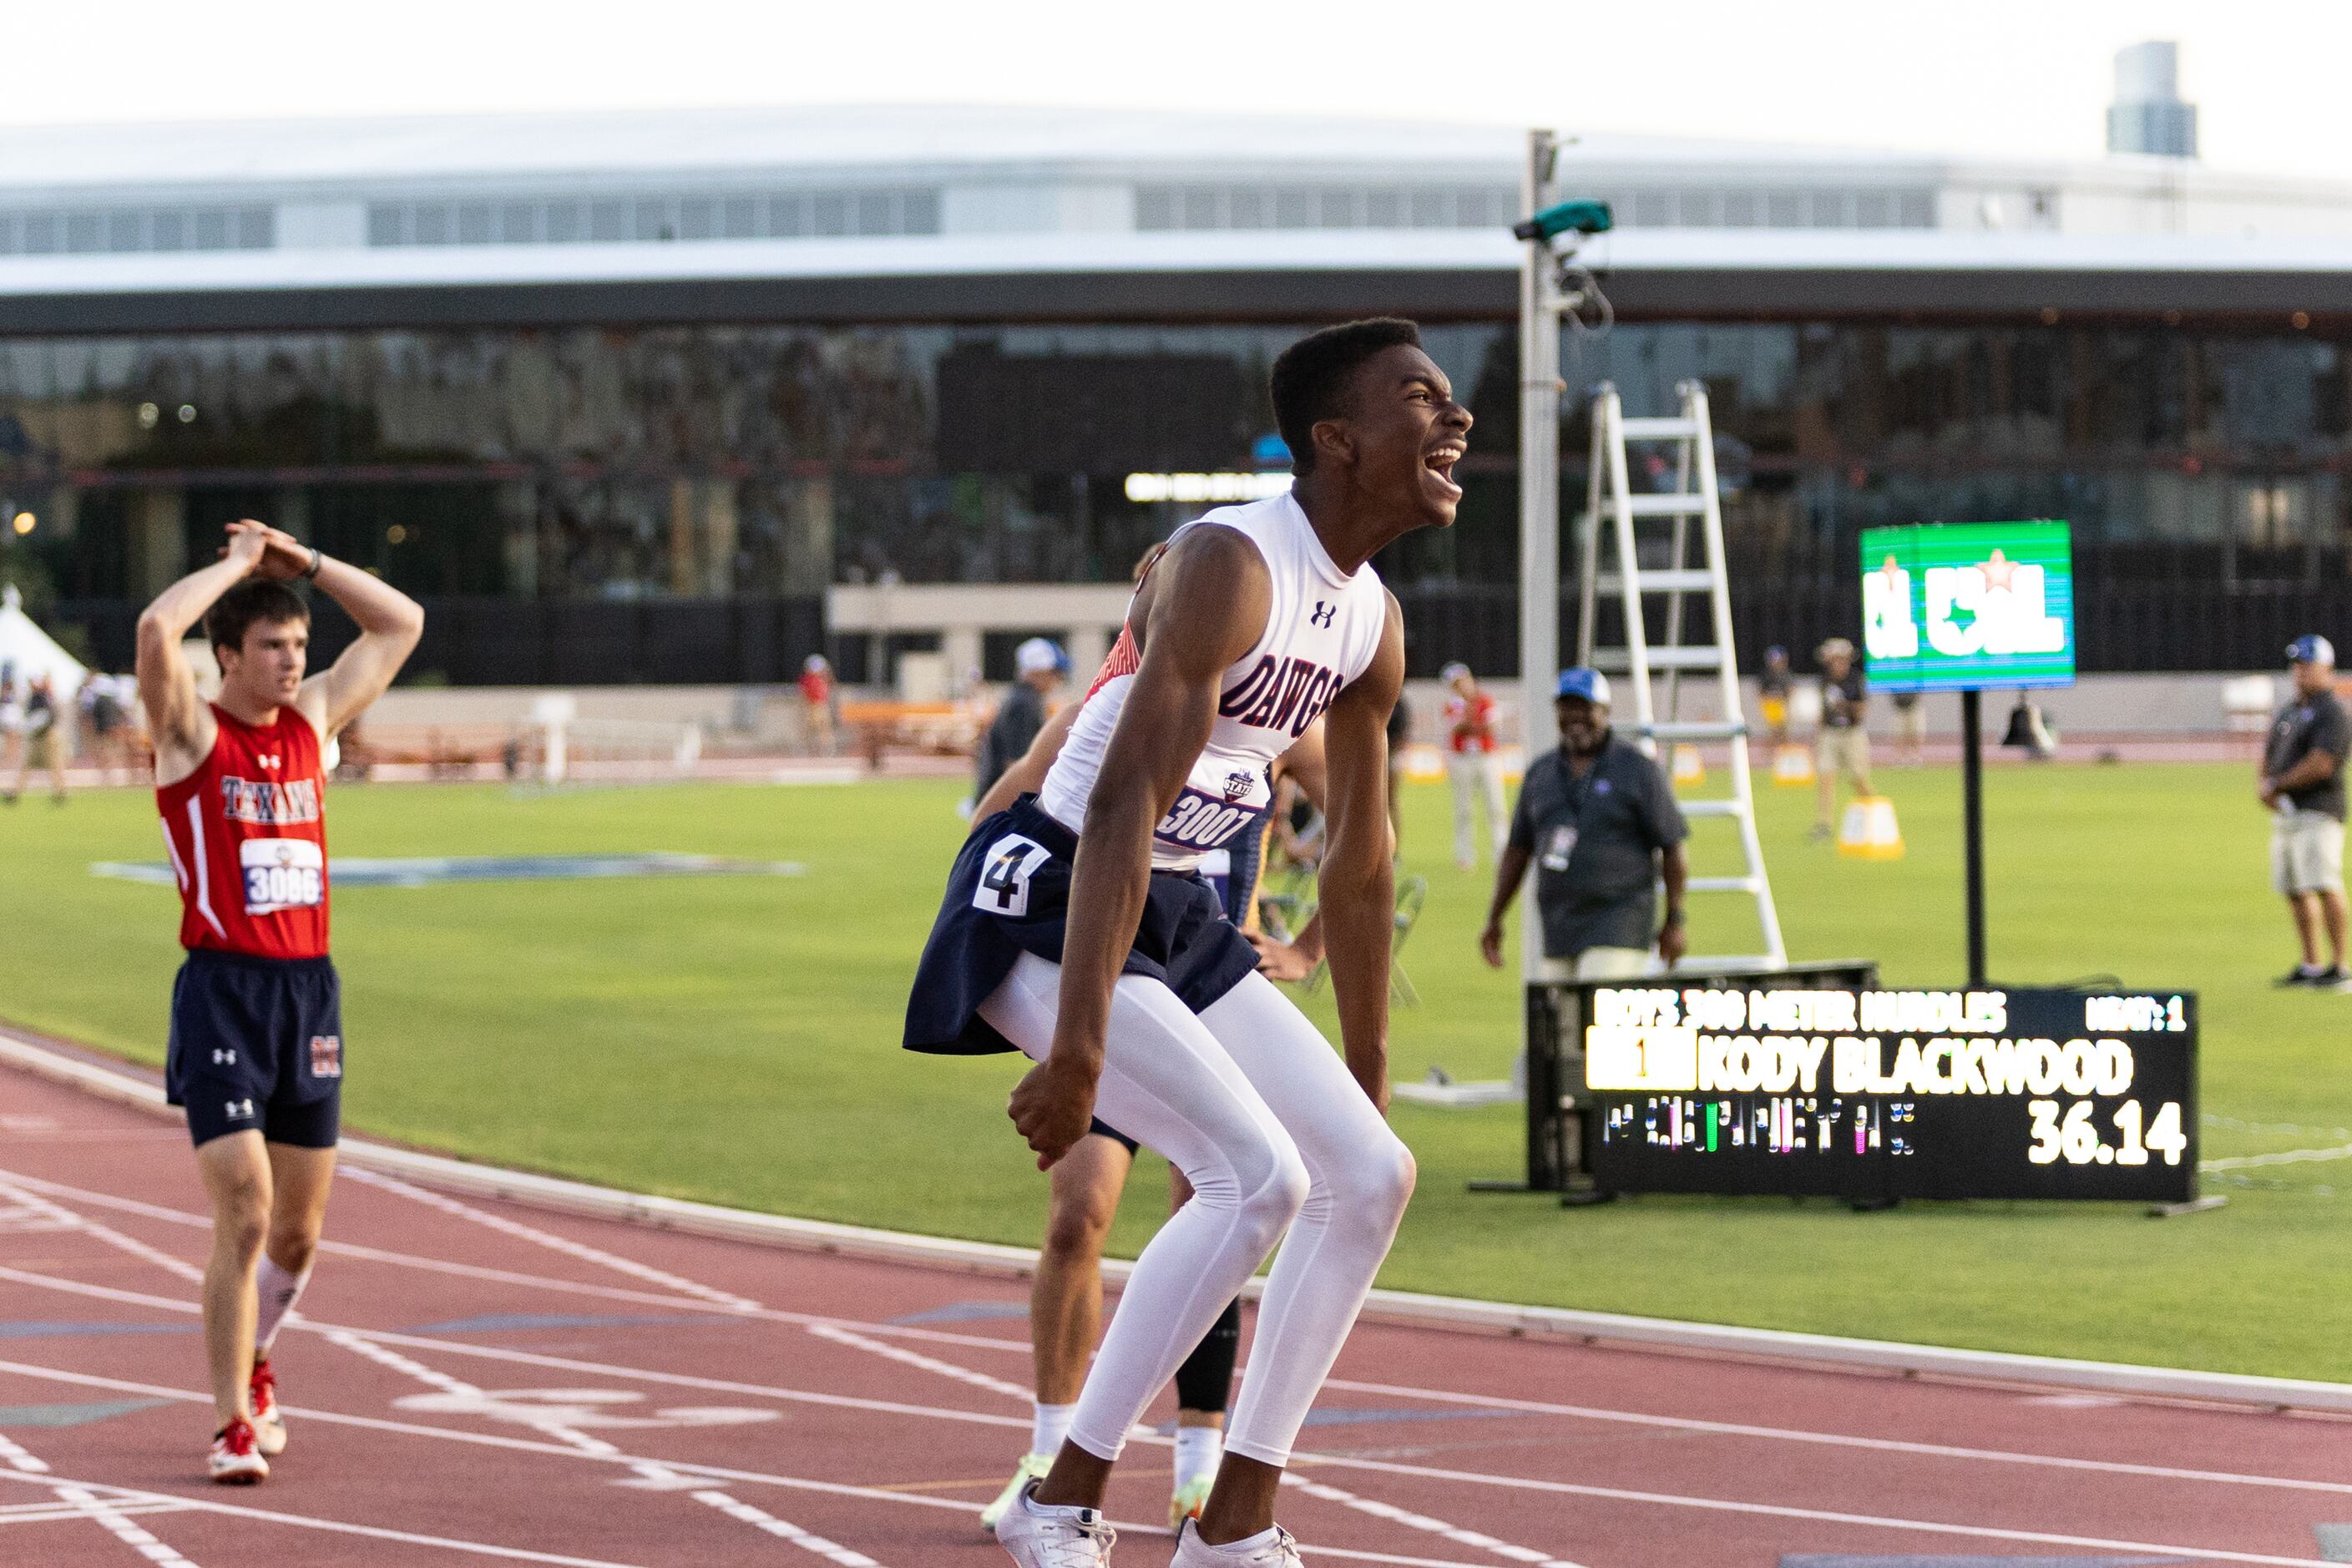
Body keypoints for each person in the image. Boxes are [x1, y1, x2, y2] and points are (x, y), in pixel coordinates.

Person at [904, 317, 1455, 1568]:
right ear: (1339, 439)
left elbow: (1361, 866)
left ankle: (1234, 1520)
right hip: (1051, 891)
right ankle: (1061, 1493)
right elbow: (1114, 804)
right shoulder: (1228, 562)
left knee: (1366, 1174)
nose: (1455, 421)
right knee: (1256, 1176)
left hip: (1179, 913)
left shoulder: (1372, 619)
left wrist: (1363, 1078)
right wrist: (1078, 1055)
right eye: (1422, 400)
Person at [968, 699, 1328, 1531]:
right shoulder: (1096, 713)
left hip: (1207, 995)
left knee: (1222, 1211)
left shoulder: (1278, 721)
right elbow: (1013, 800)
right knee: (1076, 1216)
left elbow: (1366, 826)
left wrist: (1306, 948)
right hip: (1104, 996)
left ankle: (1197, 1464)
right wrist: (972, 923)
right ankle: (1049, 1455)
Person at [134, 519, 423, 1482]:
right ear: (227, 655)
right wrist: (232, 568)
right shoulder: (189, 736)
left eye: (300, 645)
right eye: (273, 645)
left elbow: (401, 624)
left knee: (299, 1232)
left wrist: (301, 563)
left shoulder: (314, 727)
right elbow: (149, 630)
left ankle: (257, 1361)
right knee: (248, 1209)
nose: (294, 661)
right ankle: (229, 1424)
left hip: (311, 995)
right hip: (224, 992)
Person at [1479, 668, 1688, 981]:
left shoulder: (1636, 769)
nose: (1576, 717)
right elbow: (1517, 852)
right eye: (1567, 708)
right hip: (1559, 925)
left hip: (1620, 920)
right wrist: (1495, 918)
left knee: (1598, 1010)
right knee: (1559, 1022)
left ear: (1605, 712)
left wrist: (1674, 920)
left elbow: (1672, 848)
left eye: (1585, 708)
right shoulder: (1542, 773)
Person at [2263, 634, 2349, 989]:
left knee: (2325, 884)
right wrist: (2264, 783)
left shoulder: (2332, 712)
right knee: (2295, 888)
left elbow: (2322, 764)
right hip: (2287, 814)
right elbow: (2269, 753)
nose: (2300, 672)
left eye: (2307, 666)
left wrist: (2278, 783)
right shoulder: (2290, 710)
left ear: (2326, 669)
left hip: (2319, 810)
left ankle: (2340, 966)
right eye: (2296, 665)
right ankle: (2311, 964)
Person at [973, 637, 1067, 804]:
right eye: (1054, 673)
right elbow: (1017, 760)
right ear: (1039, 672)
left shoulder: (1021, 698)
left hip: (995, 796)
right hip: (1003, 802)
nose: (1057, 680)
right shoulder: (1024, 704)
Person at [1439, 662, 1505, 871]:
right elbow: (1456, 728)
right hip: (1462, 758)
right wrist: (1472, 723)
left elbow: (1491, 727)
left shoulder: (1485, 700)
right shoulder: (1453, 704)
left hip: (1486, 756)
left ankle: (1501, 852)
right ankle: (1465, 855)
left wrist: (1470, 725)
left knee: (1496, 805)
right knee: (1464, 809)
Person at [1812, 637, 1872, 841]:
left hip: (1852, 734)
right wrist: (1817, 735)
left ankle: (1872, 813)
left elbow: (1861, 711)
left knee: (1858, 778)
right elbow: (1822, 711)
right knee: (1826, 777)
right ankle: (1824, 824)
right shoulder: (1825, 680)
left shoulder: (1856, 680)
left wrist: (1843, 705)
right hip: (1830, 734)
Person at [3, 671, 67, 805]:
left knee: (53, 765)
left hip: (46, 737)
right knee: (27, 765)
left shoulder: (41, 698)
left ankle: (60, 791)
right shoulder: (39, 697)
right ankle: (16, 792)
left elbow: (43, 718)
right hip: (37, 737)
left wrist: (27, 727)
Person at [798, 654, 836, 756]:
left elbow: (828, 690)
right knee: (808, 729)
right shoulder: (807, 680)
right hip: (811, 706)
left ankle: (826, 749)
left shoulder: (823, 679)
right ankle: (806, 749)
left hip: (822, 705)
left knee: (824, 728)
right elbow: (804, 694)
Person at [1758, 645, 1793, 746]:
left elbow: (1790, 690)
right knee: (1773, 730)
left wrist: (1787, 704)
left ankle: (1783, 750)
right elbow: (1761, 692)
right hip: (1770, 705)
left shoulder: (1786, 675)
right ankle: (1771, 750)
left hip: (1782, 704)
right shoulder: (1766, 675)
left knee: (1782, 729)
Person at [1890, 690, 1926, 766]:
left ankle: (1915, 757)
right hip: (1899, 707)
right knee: (1898, 734)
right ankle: (1900, 758)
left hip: (1913, 706)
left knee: (1916, 733)